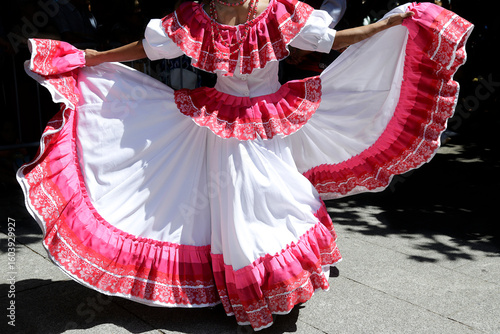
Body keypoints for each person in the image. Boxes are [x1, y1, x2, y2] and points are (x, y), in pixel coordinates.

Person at [18, 0, 473, 331]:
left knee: (268, 194)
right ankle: (253, 283)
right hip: (226, 116)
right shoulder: (200, 15)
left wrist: (384, 29)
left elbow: (332, 40)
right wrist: (92, 60)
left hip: (256, 116)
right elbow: (147, 46)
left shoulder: (274, 11)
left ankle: (261, 280)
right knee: (241, 199)